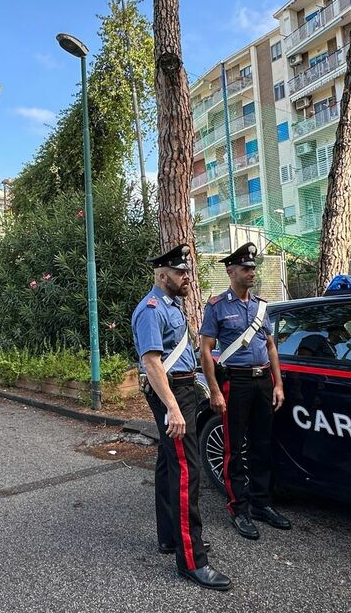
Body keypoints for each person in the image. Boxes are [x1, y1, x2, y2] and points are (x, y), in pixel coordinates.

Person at [131, 243, 231, 592]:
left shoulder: (172, 306)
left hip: (184, 389)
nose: (186, 276)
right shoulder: (152, 309)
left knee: (167, 464)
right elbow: (152, 362)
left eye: (187, 271)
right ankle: (192, 561)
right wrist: (173, 406)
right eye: (180, 272)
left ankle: (171, 538)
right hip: (172, 394)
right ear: (162, 275)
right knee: (187, 470)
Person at [199, 242, 292, 541]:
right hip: (235, 383)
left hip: (262, 380)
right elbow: (206, 349)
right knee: (234, 448)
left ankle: (262, 504)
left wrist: (277, 383)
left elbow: (270, 346)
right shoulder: (216, 307)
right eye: (245, 268)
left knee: (262, 444)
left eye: (253, 268)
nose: (252, 272)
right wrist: (214, 390)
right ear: (231, 271)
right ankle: (239, 508)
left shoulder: (260, 306)